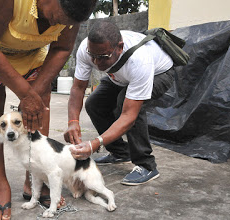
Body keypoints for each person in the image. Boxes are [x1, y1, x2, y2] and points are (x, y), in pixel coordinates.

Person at [0, 0, 96, 219]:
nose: (57, 25)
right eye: (56, 18)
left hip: (28, 47)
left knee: (40, 98)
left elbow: (63, 47)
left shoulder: (71, 11)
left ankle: (35, 179)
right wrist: (24, 93)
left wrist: (32, 94)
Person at [64, 21, 175, 187]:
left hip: (160, 73)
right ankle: (120, 152)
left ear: (120, 47)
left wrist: (94, 144)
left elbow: (129, 116)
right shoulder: (87, 50)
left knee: (126, 104)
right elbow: (78, 88)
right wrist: (73, 122)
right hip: (120, 75)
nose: (96, 62)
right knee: (94, 103)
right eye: (92, 55)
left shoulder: (139, 60)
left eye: (103, 57)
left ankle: (147, 165)